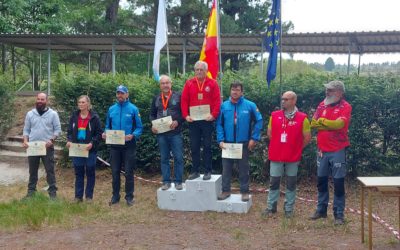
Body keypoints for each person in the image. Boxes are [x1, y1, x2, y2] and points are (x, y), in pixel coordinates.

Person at [309, 80, 352, 225]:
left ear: (340, 93)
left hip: (338, 149)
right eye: (327, 90)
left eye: (331, 90)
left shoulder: (346, 106)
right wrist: (327, 124)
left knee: (338, 182)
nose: (327, 92)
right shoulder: (322, 104)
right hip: (322, 149)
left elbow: (339, 125)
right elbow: (312, 123)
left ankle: (339, 214)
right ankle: (321, 210)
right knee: (321, 181)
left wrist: (322, 122)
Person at [262, 91, 311, 218]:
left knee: (291, 183)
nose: (283, 101)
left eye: (286, 99)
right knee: (274, 182)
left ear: (294, 101)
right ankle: (271, 206)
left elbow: (307, 137)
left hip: (292, 157)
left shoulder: (303, 118)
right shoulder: (274, 115)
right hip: (276, 155)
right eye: (282, 99)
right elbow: (270, 133)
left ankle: (288, 208)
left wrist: (296, 148)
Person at [216, 82, 263, 202]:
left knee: (243, 169)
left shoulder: (250, 105)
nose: (235, 92)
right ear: (230, 91)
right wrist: (220, 139)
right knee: (226, 169)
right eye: (233, 89)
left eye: (237, 90)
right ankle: (225, 191)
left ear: (242, 92)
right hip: (227, 143)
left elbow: (259, 120)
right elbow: (219, 124)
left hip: (243, 143)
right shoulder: (224, 106)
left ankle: (244, 192)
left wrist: (254, 138)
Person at [102, 85, 143, 206]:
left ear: (127, 94)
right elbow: (107, 126)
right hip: (114, 146)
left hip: (129, 145)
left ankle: (129, 197)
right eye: (118, 93)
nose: (120, 95)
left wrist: (133, 135)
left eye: (122, 93)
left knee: (129, 172)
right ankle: (115, 196)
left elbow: (139, 127)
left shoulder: (133, 109)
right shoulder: (111, 109)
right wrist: (105, 133)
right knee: (115, 172)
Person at [181, 61, 221, 180]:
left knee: (207, 146)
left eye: (201, 69)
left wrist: (213, 115)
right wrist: (185, 115)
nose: (199, 71)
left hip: (207, 120)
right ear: (194, 71)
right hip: (193, 121)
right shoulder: (189, 83)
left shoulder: (212, 83)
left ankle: (208, 171)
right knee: (194, 146)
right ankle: (195, 171)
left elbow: (217, 101)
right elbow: (184, 101)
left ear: (206, 71)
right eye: (197, 69)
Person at [22, 92, 61, 199]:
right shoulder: (30, 114)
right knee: (32, 170)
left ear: (46, 101)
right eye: (38, 99)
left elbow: (58, 130)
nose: (39, 101)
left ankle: (53, 194)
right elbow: (26, 129)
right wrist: (25, 141)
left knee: (50, 170)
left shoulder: (53, 114)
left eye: (42, 99)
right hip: (33, 147)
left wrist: (52, 140)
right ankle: (31, 193)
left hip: (47, 147)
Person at [150, 75, 185, 191]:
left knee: (178, 158)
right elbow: (152, 114)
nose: (165, 85)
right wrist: (153, 125)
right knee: (164, 158)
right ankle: (166, 181)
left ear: (171, 84)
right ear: (160, 85)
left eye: (167, 83)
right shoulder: (156, 98)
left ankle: (178, 181)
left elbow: (184, 112)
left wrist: (178, 121)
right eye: (163, 83)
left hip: (175, 133)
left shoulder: (178, 96)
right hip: (161, 134)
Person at [66, 95, 102, 202]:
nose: (80, 104)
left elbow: (99, 134)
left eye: (83, 102)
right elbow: (69, 132)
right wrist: (69, 140)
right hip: (77, 149)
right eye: (79, 102)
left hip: (89, 150)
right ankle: (78, 197)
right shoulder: (74, 116)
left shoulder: (94, 117)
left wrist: (92, 143)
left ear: (88, 104)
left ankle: (89, 197)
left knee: (90, 173)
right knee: (79, 173)